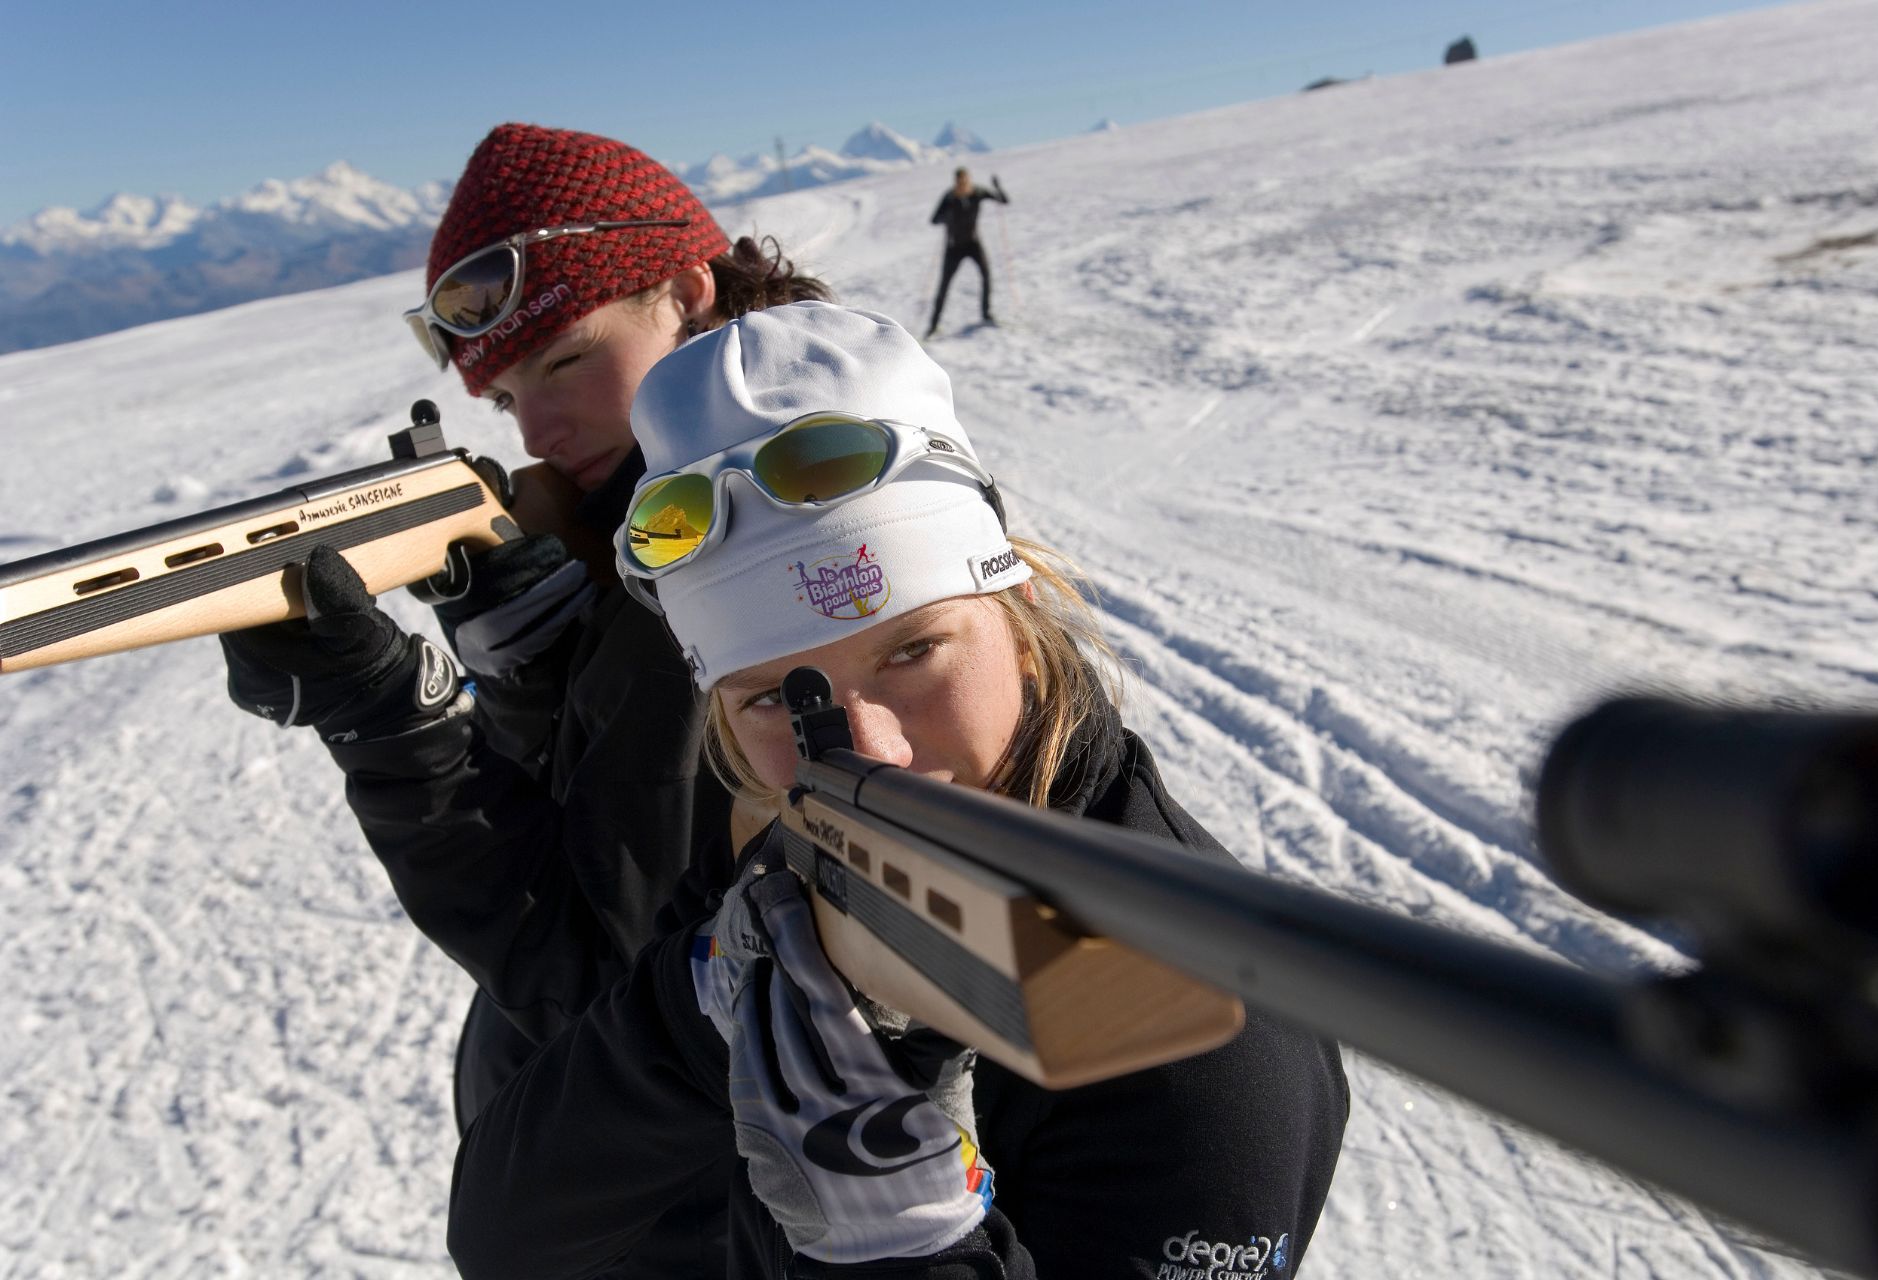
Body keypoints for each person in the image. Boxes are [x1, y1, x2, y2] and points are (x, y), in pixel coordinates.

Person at [444, 301, 1349, 1278]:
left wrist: (916, 1252)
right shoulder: (797, 860)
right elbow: (508, 1236)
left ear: (1017, 606)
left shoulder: (1206, 1030)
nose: (865, 750)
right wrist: (689, 1018)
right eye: (769, 698)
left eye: (913, 650)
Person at [215, 123, 832, 1274]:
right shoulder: (681, 527)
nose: (539, 429)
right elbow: (615, 855)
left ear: (688, 290)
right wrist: (536, 684)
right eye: (504, 398)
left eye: (564, 360)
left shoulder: (735, 566)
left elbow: (592, 986)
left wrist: (396, 728)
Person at [926, 167, 1008, 337]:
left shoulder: (977, 192)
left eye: (965, 181)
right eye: (959, 181)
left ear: (969, 179)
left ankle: (986, 314)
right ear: (955, 181)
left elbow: (1003, 200)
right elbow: (934, 219)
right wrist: (945, 216)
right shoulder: (949, 197)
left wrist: (998, 187)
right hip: (953, 247)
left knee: (986, 275)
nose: (962, 184)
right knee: (944, 286)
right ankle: (933, 326)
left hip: (973, 243)